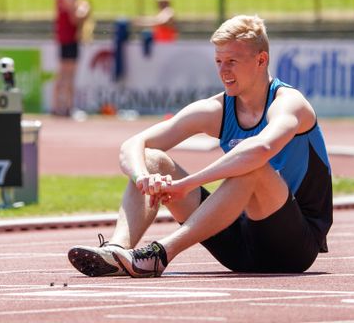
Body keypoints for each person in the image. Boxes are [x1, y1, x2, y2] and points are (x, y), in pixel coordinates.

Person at [68, 15, 333, 278]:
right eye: (218, 61)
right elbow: (133, 144)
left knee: (253, 168)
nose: (223, 71)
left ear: (261, 60)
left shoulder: (289, 103)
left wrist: (187, 184)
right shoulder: (217, 108)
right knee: (153, 159)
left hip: (294, 246)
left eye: (232, 61)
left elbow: (260, 149)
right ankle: (117, 250)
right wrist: (143, 178)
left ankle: (160, 253)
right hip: (239, 245)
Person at [52, 0, 89, 116]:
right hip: (69, 36)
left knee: (63, 73)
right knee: (68, 73)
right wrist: (85, 10)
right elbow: (74, 18)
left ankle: (58, 106)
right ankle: (67, 106)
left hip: (63, 35)